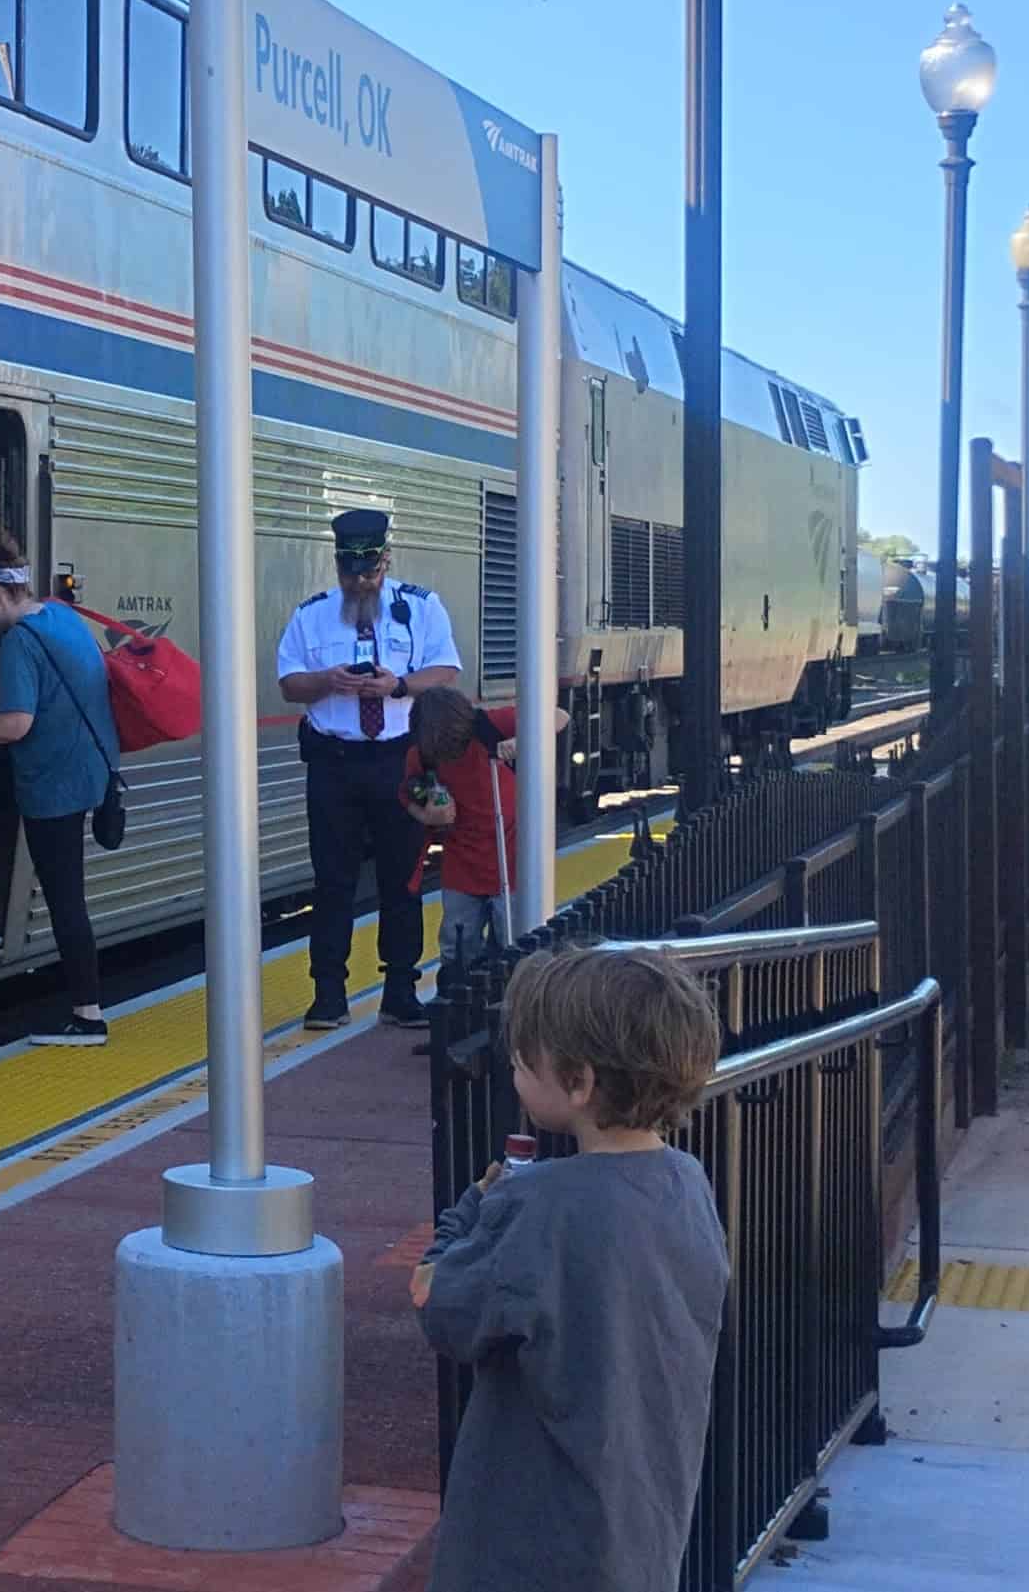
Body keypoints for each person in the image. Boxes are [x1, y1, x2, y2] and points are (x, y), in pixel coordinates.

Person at [410, 947, 729, 1592]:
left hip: (534, 1546)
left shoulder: (541, 1205)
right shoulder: (687, 1185)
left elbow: (435, 1300)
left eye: (525, 1059)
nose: (514, 1069)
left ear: (579, 1082)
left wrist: (473, 1208)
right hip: (640, 1536)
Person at [274, 509, 462, 1028]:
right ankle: (329, 994)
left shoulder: (420, 608)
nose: (359, 582)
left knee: (402, 879)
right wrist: (327, 681)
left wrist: (397, 686)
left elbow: (447, 670)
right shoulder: (311, 615)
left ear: (386, 560)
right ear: (338, 566)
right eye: (350, 572)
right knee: (332, 880)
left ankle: (399, 990)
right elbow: (289, 682)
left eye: (369, 572)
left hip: (396, 757)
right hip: (334, 762)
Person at [0, 520, 119, 1047]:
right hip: (85, 770)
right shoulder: (59, 618)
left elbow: (14, 726)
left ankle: (89, 1016)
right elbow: (49, 691)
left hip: (52, 784)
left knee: (66, 898)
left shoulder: (20, 639)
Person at [400, 686, 519, 1001]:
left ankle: (510, 1004)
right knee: (456, 940)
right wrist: (428, 815)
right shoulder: (422, 754)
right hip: (462, 860)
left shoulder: (489, 725)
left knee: (513, 937)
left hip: (511, 854)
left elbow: (558, 716)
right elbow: (408, 794)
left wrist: (519, 741)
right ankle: (455, 1011)